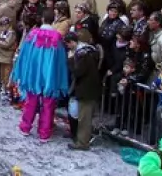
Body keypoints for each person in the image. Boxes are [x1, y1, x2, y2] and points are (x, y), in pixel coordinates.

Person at [12, 10, 70, 142]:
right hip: (50, 75)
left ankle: (25, 127)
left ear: (42, 19)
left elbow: (25, 55)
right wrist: (60, 76)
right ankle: (44, 132)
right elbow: (61, 61)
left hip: (34, 74)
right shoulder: (57, 37)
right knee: (48, 104)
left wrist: (22, 70)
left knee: (31, 101)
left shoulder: (33, 34)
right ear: (53, 20)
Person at [64, 30, 102, 150]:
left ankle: (82, 143)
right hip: (88, 88)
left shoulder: (82, 54)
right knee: (82, 115)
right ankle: (81, 139)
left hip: (86, 89)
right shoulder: (89, 51)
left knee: (84, 118)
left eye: (68, 44)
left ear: (73, 42)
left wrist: (70, 60)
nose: (68, 47)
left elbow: (78, 72)